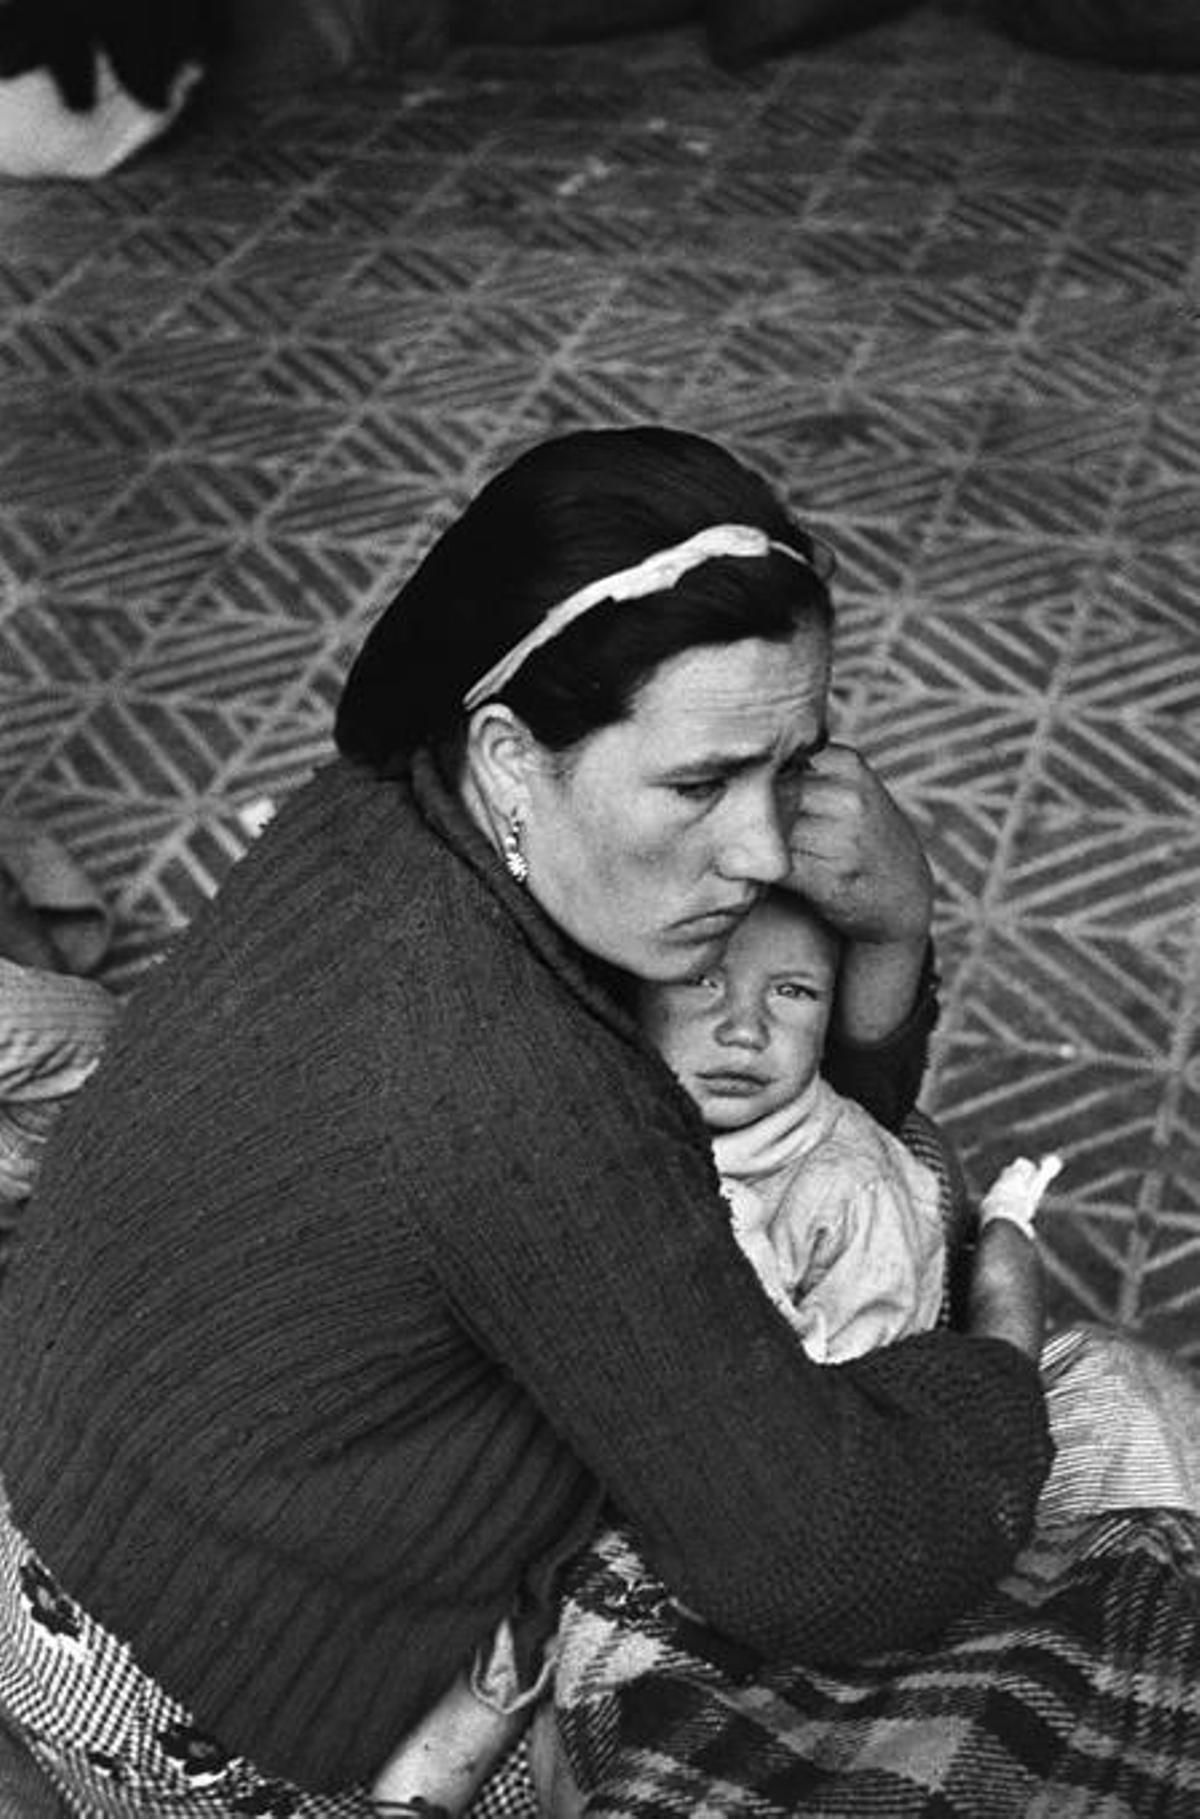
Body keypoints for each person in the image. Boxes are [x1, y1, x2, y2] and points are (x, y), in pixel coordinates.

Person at [0, 424, 1184, 1819]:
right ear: (512, 752)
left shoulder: (378, 815)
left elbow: (782, 1126)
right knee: (1105, 1427)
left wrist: (890, 933)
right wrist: (1002, 1332)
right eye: (699, 782)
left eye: (791, 764)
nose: (758, 850)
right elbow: (833, 1559)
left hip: (78, 1547)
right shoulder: (515, 1080)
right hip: (230, 1707)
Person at [639, 887, 947, 1359]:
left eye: (793, 991)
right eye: (702, 980)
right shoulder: (606, 1113)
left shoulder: (855, 1195)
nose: (745, 1031)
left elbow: (858, 1396)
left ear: (830, 1021)